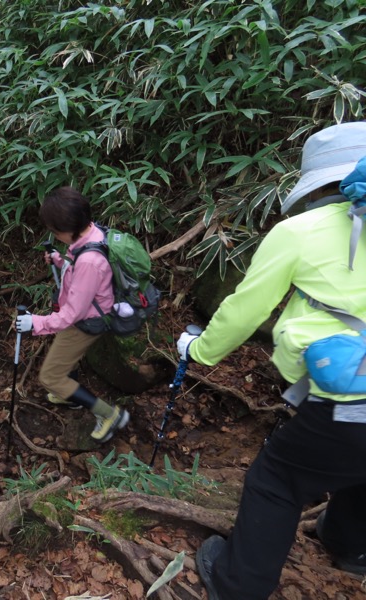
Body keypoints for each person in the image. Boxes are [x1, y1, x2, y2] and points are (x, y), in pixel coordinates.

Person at [176, 121, 366, 600]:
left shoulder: (301, 231)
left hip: (347, 396)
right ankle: (349, 546)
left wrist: (199, 351)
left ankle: (238, 585)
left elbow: (246, 309)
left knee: (277, 480)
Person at [14, 186, 130, 443]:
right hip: (86, 312)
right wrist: (59, 259)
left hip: (86, 321)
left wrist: (35, 322)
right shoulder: (91, 233)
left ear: (69, 228)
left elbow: (70, 315)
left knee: (50, 377)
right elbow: (78, 268)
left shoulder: (89, 261)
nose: (55, 235)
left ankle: (110, 415)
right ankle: (70, 396)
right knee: (65, 359)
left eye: (56, 232)